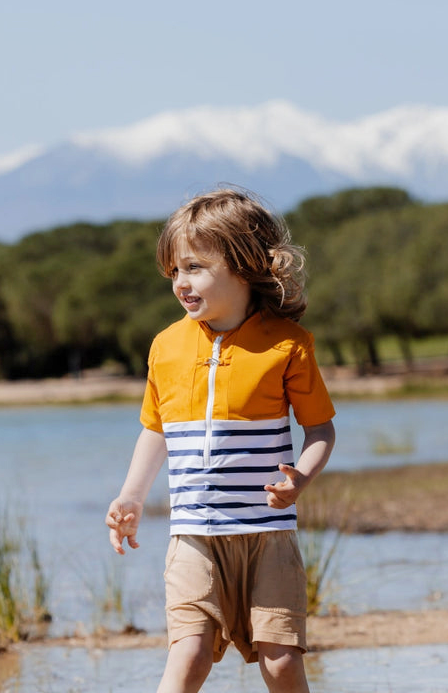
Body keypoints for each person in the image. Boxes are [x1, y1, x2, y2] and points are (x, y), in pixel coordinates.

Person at [106, 187, 336, 693]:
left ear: (245, 266)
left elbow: (320, 429)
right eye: (174, 271)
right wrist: (131, 496)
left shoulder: (288, 345)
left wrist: (300, 477)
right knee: (188, 656)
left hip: (268, 536)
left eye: (194, 267)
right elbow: (156, 429)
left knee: (281, 663)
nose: (180, 282)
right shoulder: (166, 346)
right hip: (193, 537)